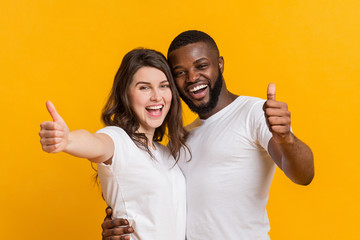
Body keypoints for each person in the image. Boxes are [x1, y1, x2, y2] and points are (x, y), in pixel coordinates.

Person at [102, 30, 315, 240]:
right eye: (180, 72)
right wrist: (124, 225)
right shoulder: (182, 138)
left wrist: (287, 138)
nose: (193, 77)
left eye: (201, 66)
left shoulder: (253, 113)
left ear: (220, 64)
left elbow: (303, 175)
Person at [39, 48, 190, 240]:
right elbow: (96, 143)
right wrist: (67, 140)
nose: (157, 97)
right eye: (144, 87)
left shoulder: (166, 154)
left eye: (164, 86)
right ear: (125, 94)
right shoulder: (118, 140)